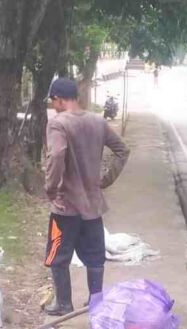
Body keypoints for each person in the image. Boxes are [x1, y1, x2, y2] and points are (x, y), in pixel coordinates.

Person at [43, 78, 131, 316]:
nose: (54, 107)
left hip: (66, 207)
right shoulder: (97, 121)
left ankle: (63, 303)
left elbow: (57, 154)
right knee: (95, 256)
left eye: (53, 102)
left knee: (58, 256)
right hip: (92, 205)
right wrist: (107, 178)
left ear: (58, 99)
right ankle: (95, 301)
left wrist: (52, 189)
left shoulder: (58, 124)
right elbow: (123, 149)